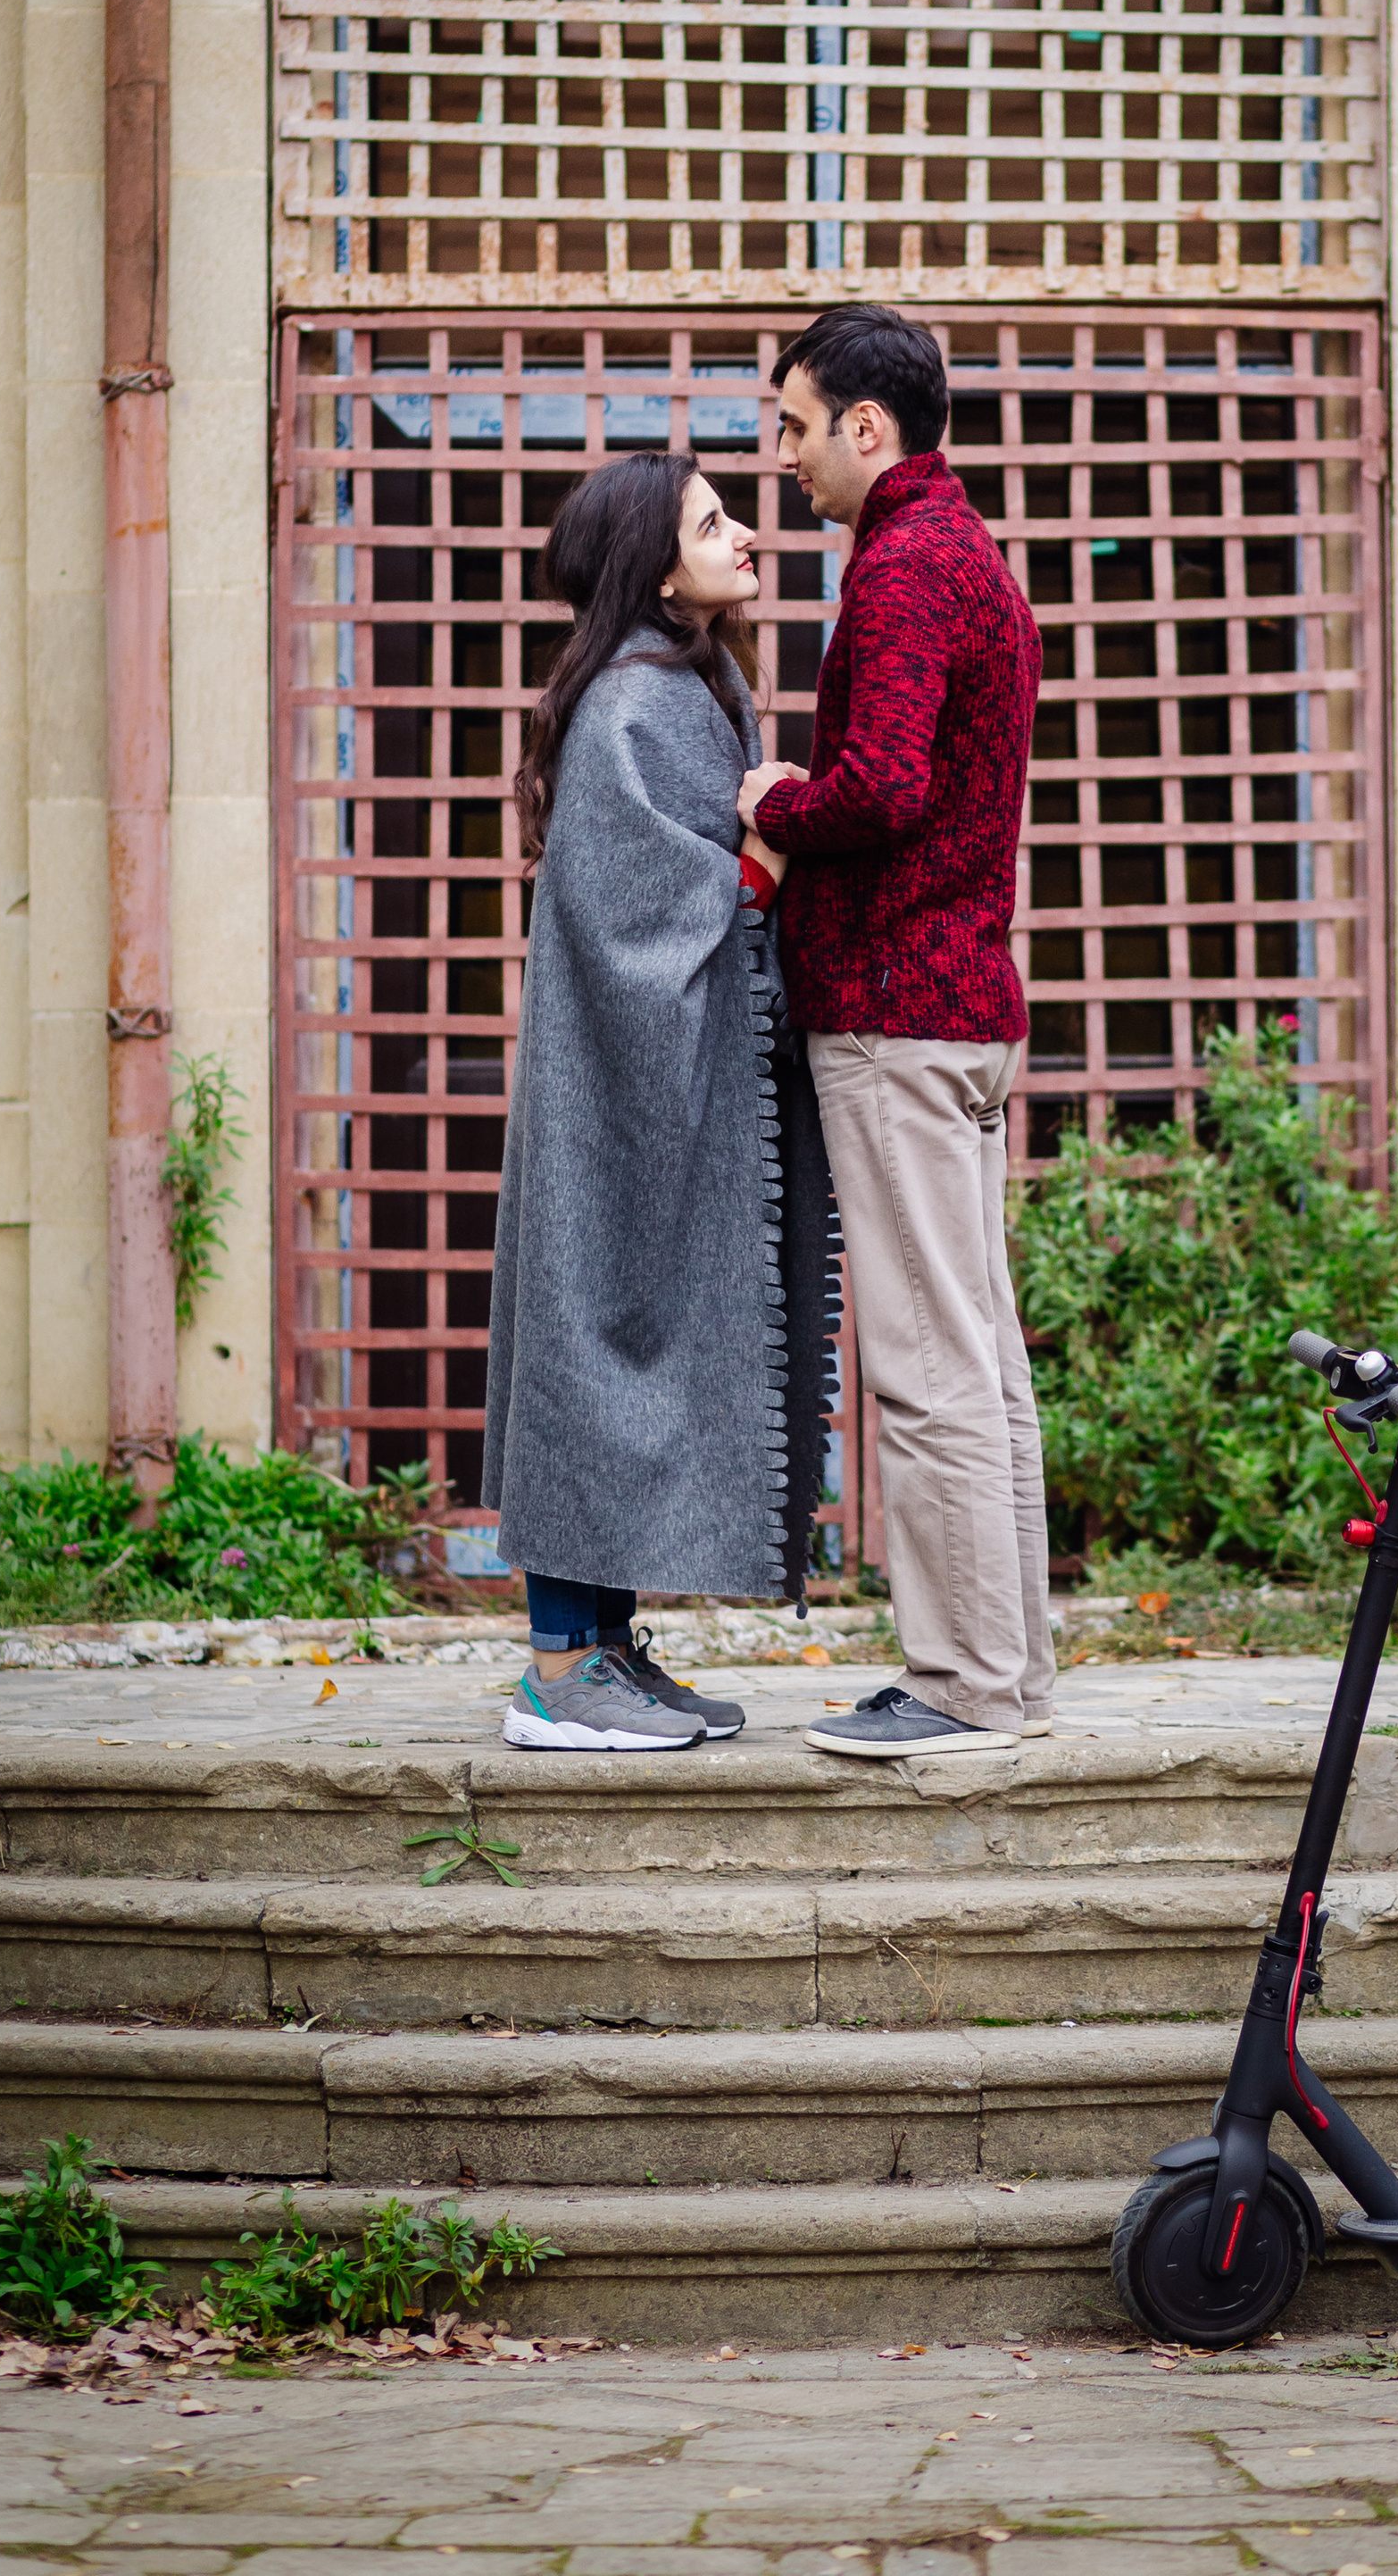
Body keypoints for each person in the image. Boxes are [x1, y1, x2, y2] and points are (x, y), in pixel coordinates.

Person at [483, 453, 836, 1753]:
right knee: (590, 1346)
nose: (745, 535)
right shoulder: (635, 704)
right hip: (613, 1094)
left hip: (654, 1088)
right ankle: (557, 1673)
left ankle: (605, 1649)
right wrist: (764, 852)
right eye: (711, 522)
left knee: (620, 1345)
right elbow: (632, 914)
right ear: (654, 566)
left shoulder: (689, 685)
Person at [737, 304, 1048, 1759]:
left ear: (869, 426)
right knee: (980, 1359)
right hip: (958, 1009)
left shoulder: (909, 563)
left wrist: (773, 800)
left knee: (928, 1366)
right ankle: (1009, 1672)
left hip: (899, 1016)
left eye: (795, 427)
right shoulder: (963, 550)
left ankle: (964, 1681)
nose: (782, 456)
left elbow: (881, 786)